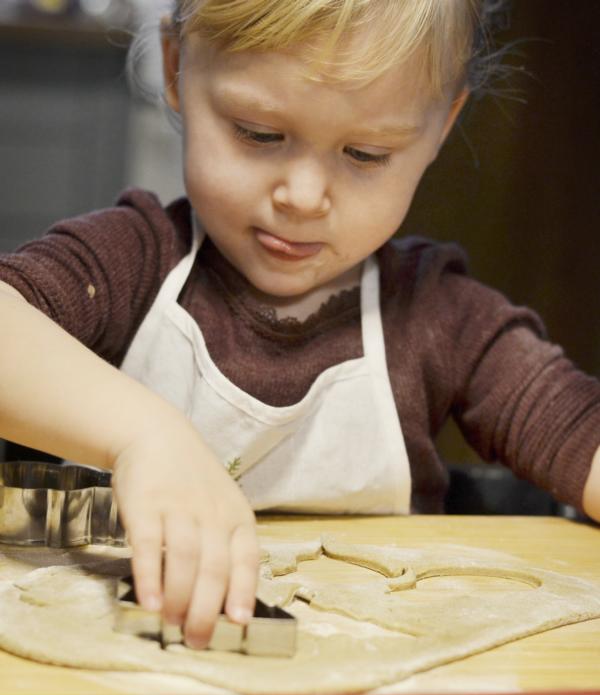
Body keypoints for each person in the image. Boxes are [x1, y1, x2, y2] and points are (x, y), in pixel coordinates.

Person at [1, 0, 600, 648]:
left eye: (366, 153)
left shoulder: (441, 319)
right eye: (259, 133)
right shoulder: (130, 263)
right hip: (110, 694)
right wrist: (144, 436)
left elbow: (578, 435)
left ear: (439, 129)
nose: (304, 196)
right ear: (176, 69)